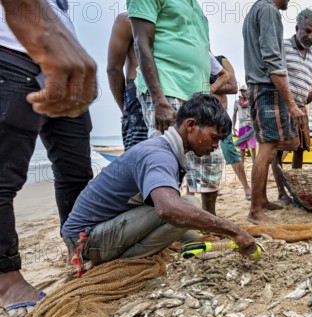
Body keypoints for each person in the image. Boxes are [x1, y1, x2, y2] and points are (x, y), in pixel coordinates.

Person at [62, 94, 257, 268]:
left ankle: (121, 254)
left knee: (192, 237)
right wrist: (233, 230)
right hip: (85, 239)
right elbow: (168, 209)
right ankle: (123, 263)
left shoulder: (167, 148)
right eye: (213, 138)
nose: (215, 146)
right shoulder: (159, 155)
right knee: (186, 204)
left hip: (100, 228)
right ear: (191, 125)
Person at [0, 0, 95, 317]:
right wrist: (42, 28)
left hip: (59, 68)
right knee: (3, 177)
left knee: (76, 171)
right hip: (9, 51)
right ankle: (6, 278)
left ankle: (77, 248)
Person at [128, 0, 230, 215]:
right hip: (168, 89)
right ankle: (162, 224)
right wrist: (159, 100)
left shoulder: (195, 7)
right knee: (166, 160)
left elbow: (203, 52)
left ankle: (209, 219)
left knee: (211, 159)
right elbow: (141, 43)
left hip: (197, 97)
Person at [242, 0, 304, 224]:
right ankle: (255, 210)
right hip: (267, 88)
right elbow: (272, 60)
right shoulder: (269, 11)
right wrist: (292, 104)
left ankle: (263, 200)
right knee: (269, 149)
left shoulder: (256, 10)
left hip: (259, 86)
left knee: (266, 146)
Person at [271, 8, 312, 204]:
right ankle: (282, 192)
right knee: (278, 150)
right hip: (284, 105)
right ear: (297, 28)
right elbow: (274, 72)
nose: (310, 36)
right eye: (306, 31)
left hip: (301, 107)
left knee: (300, 147)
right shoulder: (283, 46)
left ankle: (296, 189)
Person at [209, 55, 253, 205]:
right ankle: (192, 191)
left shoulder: (220, 60)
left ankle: (246, 188)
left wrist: (208, 89)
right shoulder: (194, 59)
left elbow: (233, 87)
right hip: (200, 114)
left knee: (230, 151)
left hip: (219, 113)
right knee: (196, 154)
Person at [107, 12, 148, 151]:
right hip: (139, 92)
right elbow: (113, 70)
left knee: (140, 158)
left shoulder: (128, 19)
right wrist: (125, 108)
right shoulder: (128, 20)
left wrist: (125, 108)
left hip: (137, 96)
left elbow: (113, 70)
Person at [233, 85, 256, 190]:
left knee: (253, 147)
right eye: (242, 91)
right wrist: (233, 126)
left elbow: (247, 105)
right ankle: (242, 168)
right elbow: (234, 114)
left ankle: (255, 166)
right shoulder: (237, 102)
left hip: (251, 125)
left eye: (245, 91)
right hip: (242, 125)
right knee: (242, 148)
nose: (243, 93)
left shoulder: (251, 100)